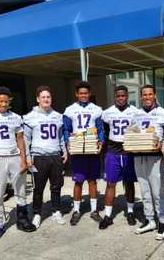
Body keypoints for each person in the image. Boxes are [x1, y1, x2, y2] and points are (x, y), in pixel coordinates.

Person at [0, 86, 36, 239]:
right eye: (0, 101)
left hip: (15, 158)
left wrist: (24, 160)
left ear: (9, 101)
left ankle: (22, 219)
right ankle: (0, 224)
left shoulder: (17, 117)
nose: (3, 104)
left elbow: (20, 140)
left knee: (20, 190)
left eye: (6, 101)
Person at [23, 85, 67, 229]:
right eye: (43, 97)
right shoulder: (30, 117)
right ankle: (37, 213)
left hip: (55, 156)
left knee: (56, 187)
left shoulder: (58, 116)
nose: (46, 99)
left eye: (48, 97)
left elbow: (60, 137)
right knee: (38, 188)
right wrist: (28, 158)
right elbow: (26, 140)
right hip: (39, 157)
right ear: (37, 99)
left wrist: (64, 151)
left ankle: (56, 210)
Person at [63, 81, 104, 225]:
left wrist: (101, 142)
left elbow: (100, 128)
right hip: (78, 150)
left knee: (92, 180)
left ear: (89, 94)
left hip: (91, 149)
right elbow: (66, 129)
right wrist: (68, 143)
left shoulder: (96, 109)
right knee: (78, 181)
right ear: (76, 94)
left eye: (86, 93)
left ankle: (94, 210)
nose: (83, 95)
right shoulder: (69, 110)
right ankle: (76, 210)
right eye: (81, 93)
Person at [132, 85, 164, 240]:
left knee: (157, 191)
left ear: (155, 95)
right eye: (144, 95)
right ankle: (149, 220)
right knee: (144, 190)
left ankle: (162, 221)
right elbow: (133, 132)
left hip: (155, 157)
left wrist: (162, 144)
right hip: (139, 156)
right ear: (141, 97)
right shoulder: (136, 114)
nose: (147, 97)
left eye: (150, 94)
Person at [99, 85, 139, 230]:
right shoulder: (107, 112)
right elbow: (102, 129)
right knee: (111, 183)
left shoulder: (135, 111)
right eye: (118, 96)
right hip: (113, 150)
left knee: (129, 183)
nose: (121, 98)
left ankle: (130, 212)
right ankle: (108, 215)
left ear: (127, 96)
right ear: (115, 97)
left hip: (129, 151)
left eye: (123, 95)